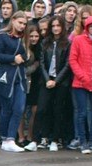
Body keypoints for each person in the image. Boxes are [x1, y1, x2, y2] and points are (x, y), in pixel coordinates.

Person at [69, 15, 92, 154]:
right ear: (86, 27)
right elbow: (73, 60)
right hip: (80, 83)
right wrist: (82, 76)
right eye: (91, 26)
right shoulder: (78, 40)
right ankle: (83, 142)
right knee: (82, 114)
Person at [0, 10, 30, 152]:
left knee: (19, 107)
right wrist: (12, 59)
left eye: (24, 24)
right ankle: (5, 138)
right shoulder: (2, 35)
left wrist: (22, 58)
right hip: (5, 76)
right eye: (20, 23)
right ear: (13, 20)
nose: (22, 26)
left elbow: (27, 55)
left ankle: (10, 138)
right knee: (6, 108)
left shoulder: (24, 37)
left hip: (19, 77)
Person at [36, 14, 71, 151]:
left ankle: (56, 139)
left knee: (58, 110)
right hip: (46, 80)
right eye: (53, 26)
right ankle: (44, 137)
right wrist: (47, 80)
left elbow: (68, 65)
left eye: (58, 26)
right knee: (43, 109)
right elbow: (42, 63)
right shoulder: (45, 42)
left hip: (61, 82)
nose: (56, 29)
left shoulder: (67, 43)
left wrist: (56, 81)